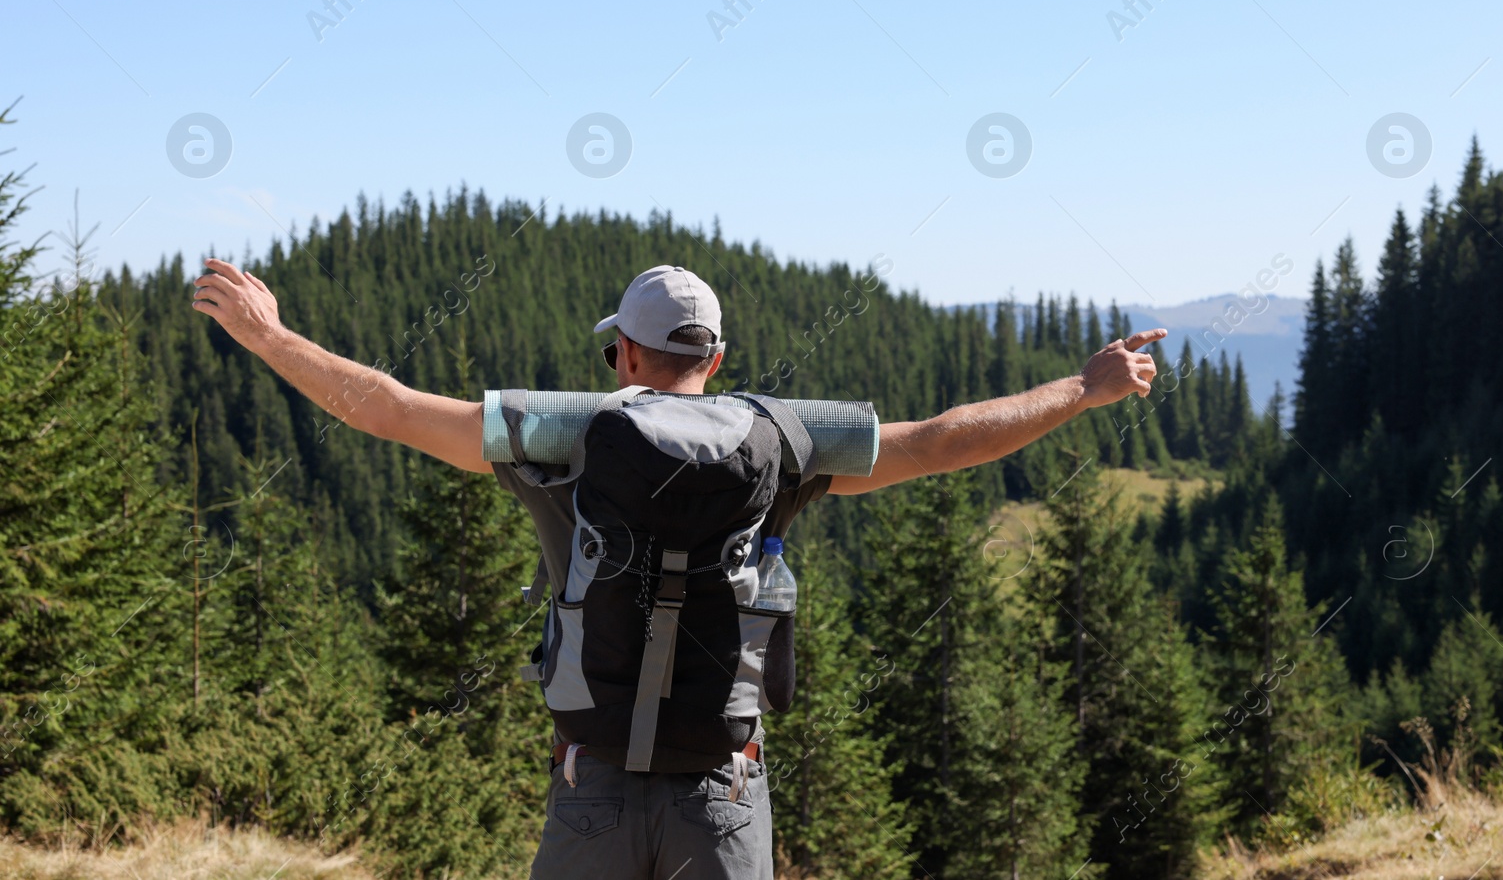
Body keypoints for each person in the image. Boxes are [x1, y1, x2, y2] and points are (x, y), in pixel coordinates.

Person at [191, 257, 1164, 880]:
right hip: (723, 789)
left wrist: (268, 333)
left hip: (592, 787)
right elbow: (940, 440)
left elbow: (389, 406)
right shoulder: (784, 439)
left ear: (621, 353)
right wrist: (1085, 387)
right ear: (718, 354)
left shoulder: (573, 432)